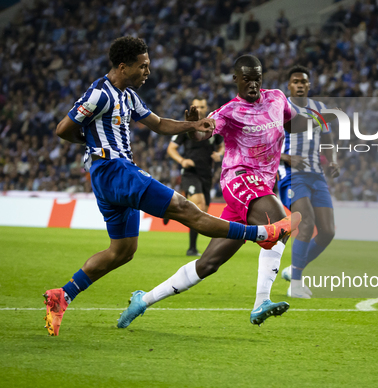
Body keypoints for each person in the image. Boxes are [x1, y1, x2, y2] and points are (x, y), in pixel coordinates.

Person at [43, 38, 298, 336]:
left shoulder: (129, 96)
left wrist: (191, 126)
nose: (148, 71)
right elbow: (63, 129)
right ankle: (261, 234)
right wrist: (93, 144)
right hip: (114, 169)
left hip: (112, 177)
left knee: (123, 251)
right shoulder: (99, 95)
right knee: (185, 208)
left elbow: (160, 124)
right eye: (143, 66)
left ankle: (63, 295)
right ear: (123, 66)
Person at [117, 55, 325, 328]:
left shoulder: (276, 99)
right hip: (239, 180)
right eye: (247, 78)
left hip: (262, 185)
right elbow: (204, 133)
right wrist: (193, 128)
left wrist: (317, 123)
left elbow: (290, 122)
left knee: (208, 264)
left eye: (257, 77)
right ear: (236, 79)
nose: (253, 84)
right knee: (279, 224)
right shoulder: (228, 111)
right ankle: (262, 301)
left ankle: (143, 300)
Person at [277, 65, 339, 298]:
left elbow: (328, 138)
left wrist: (332, 160)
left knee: (328, 232)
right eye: (295, 81)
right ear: (289, 85)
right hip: (291, 175)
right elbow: (266, 142)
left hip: (316, 175)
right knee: (306, 223)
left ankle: (294, 268)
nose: (300, 85)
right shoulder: (281, 109)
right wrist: (286, 158)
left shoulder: (319, 109)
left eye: (304, 81)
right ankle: (295, 284)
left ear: (309, 85)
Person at [166, 97, 224, 257]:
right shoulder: (186, 127)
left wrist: (219, 154)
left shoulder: (212, 127)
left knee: (202, 210)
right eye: (196, 106)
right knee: (199, 205)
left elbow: (222, 145)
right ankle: (191, 249)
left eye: (202, 106)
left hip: (207, 175)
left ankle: (170, 211)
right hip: (191, 173)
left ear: (207, 108)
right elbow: (171, 149)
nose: (199, 109)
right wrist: (182, 160)